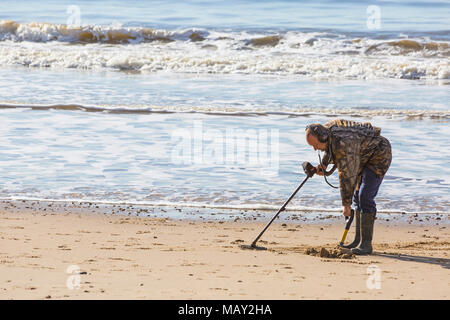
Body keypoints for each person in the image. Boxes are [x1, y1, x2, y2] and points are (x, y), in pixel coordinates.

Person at [305, 119, 392, 255]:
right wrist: (324, 164)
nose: (315, 149)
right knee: (357, 197)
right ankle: (357, 240)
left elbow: (346, 176)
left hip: (379, 154)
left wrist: (346, 205)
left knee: (365, 196)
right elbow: (331, 148)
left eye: (315, 145)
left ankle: (366, 245)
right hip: (362, 154)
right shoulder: (328, 132)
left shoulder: (344, 144)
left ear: (323, 137)